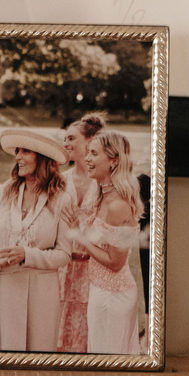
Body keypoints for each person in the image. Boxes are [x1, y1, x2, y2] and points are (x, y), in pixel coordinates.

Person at [0, 128, 72, 353]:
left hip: (39, 295)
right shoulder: (2, 192)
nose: (18, 156)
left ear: (42, 157)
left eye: (25, 151)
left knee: (34, 362)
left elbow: (64, 254)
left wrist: (26, 255)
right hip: (0, 290)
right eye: (17, 151)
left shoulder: (61, 200)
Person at [72, 130, 145, 355]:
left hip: (113, 298)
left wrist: (81, 237)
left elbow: (116, 262)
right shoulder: (102, 196)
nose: (87, 159)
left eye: (94, 154)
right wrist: (84, 253)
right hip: (100, 291)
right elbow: (105, 247)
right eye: (88, 153)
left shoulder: (119, 206)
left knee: (109, 361)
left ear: (113, 160)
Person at [57, 112, 106, 353]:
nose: (65, 144)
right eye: (64, 139)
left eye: (71, 138)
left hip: (92, 267)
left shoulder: (103, 183)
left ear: (89, 141)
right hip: (61, 266)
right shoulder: (58, 180)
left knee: (88, 331)